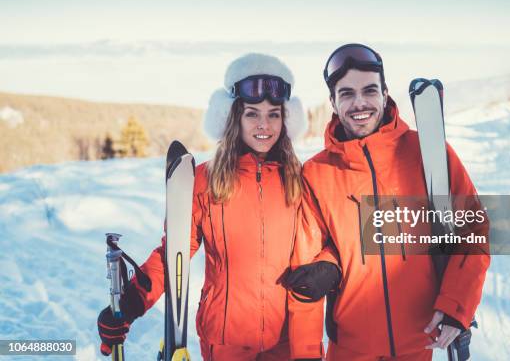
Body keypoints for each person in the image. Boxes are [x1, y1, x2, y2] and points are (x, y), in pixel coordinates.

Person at [97, 53, 308, 360]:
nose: (264, 124)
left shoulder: (300, 180)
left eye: (274, 114)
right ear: (233, 117)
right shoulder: (205, 181)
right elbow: (175, 253)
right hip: (224, 341)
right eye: (252, 113)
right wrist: (131, 302)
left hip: (288, 341)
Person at [286, 43, 490, 360]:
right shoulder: (316, 174)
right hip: (349, 349)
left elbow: (473, 231)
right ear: (333, 103)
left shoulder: (428, 153)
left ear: (384, 93)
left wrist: (456, 306)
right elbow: (305, 279)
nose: (359, 103)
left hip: (418, 344)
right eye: (346, 94)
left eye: (369, 90)